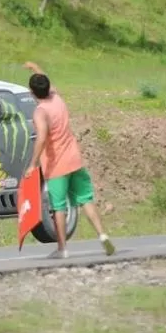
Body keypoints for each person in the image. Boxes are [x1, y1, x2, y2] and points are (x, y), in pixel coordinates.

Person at [23, 61, 115, 258]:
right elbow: (47, 82)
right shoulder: (57, 99)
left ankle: (62, 248)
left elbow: (41, 138)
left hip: (56, 166)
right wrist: (36, 68)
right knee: (86, 200)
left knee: (59, 207)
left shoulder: (41, 112)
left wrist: (33, 163)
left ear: (31, 92)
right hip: (74, 160)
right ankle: (103, 236)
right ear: (47, 88)